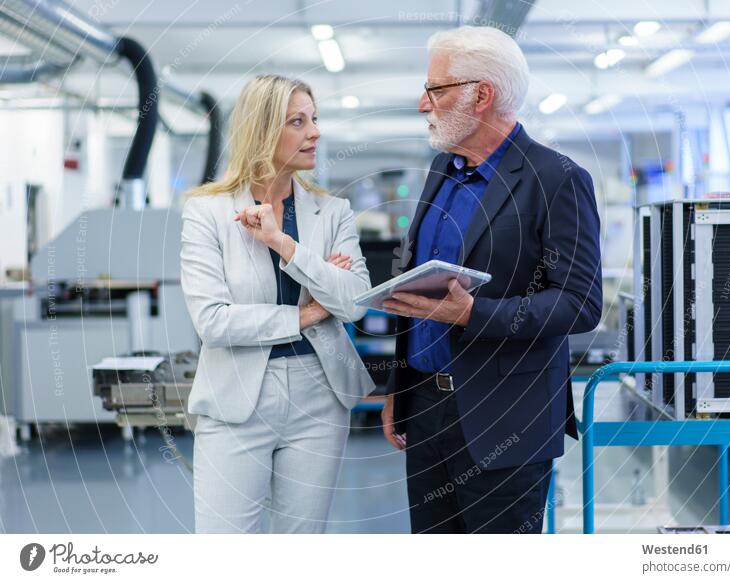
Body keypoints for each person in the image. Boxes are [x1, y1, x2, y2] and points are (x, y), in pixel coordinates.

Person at [381, 26, 603, 534]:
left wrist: (472, 313)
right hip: (427, 410)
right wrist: (399, 388)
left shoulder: (557, 179)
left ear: (481, 95)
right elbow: (420, 290)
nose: (422, 103)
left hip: (506, 420)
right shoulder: (443, 169)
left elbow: (581, 303)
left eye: (434, 89)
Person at [180, 75, 375, 533]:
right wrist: (306, 312)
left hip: (320, 396)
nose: (315, 132)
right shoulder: (207, 213)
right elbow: (213, 322)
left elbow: (354, 303)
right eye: (298, 121)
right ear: (264, 130)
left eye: (314, 119)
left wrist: (283, 244)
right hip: (235, 396)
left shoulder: (334, 212)